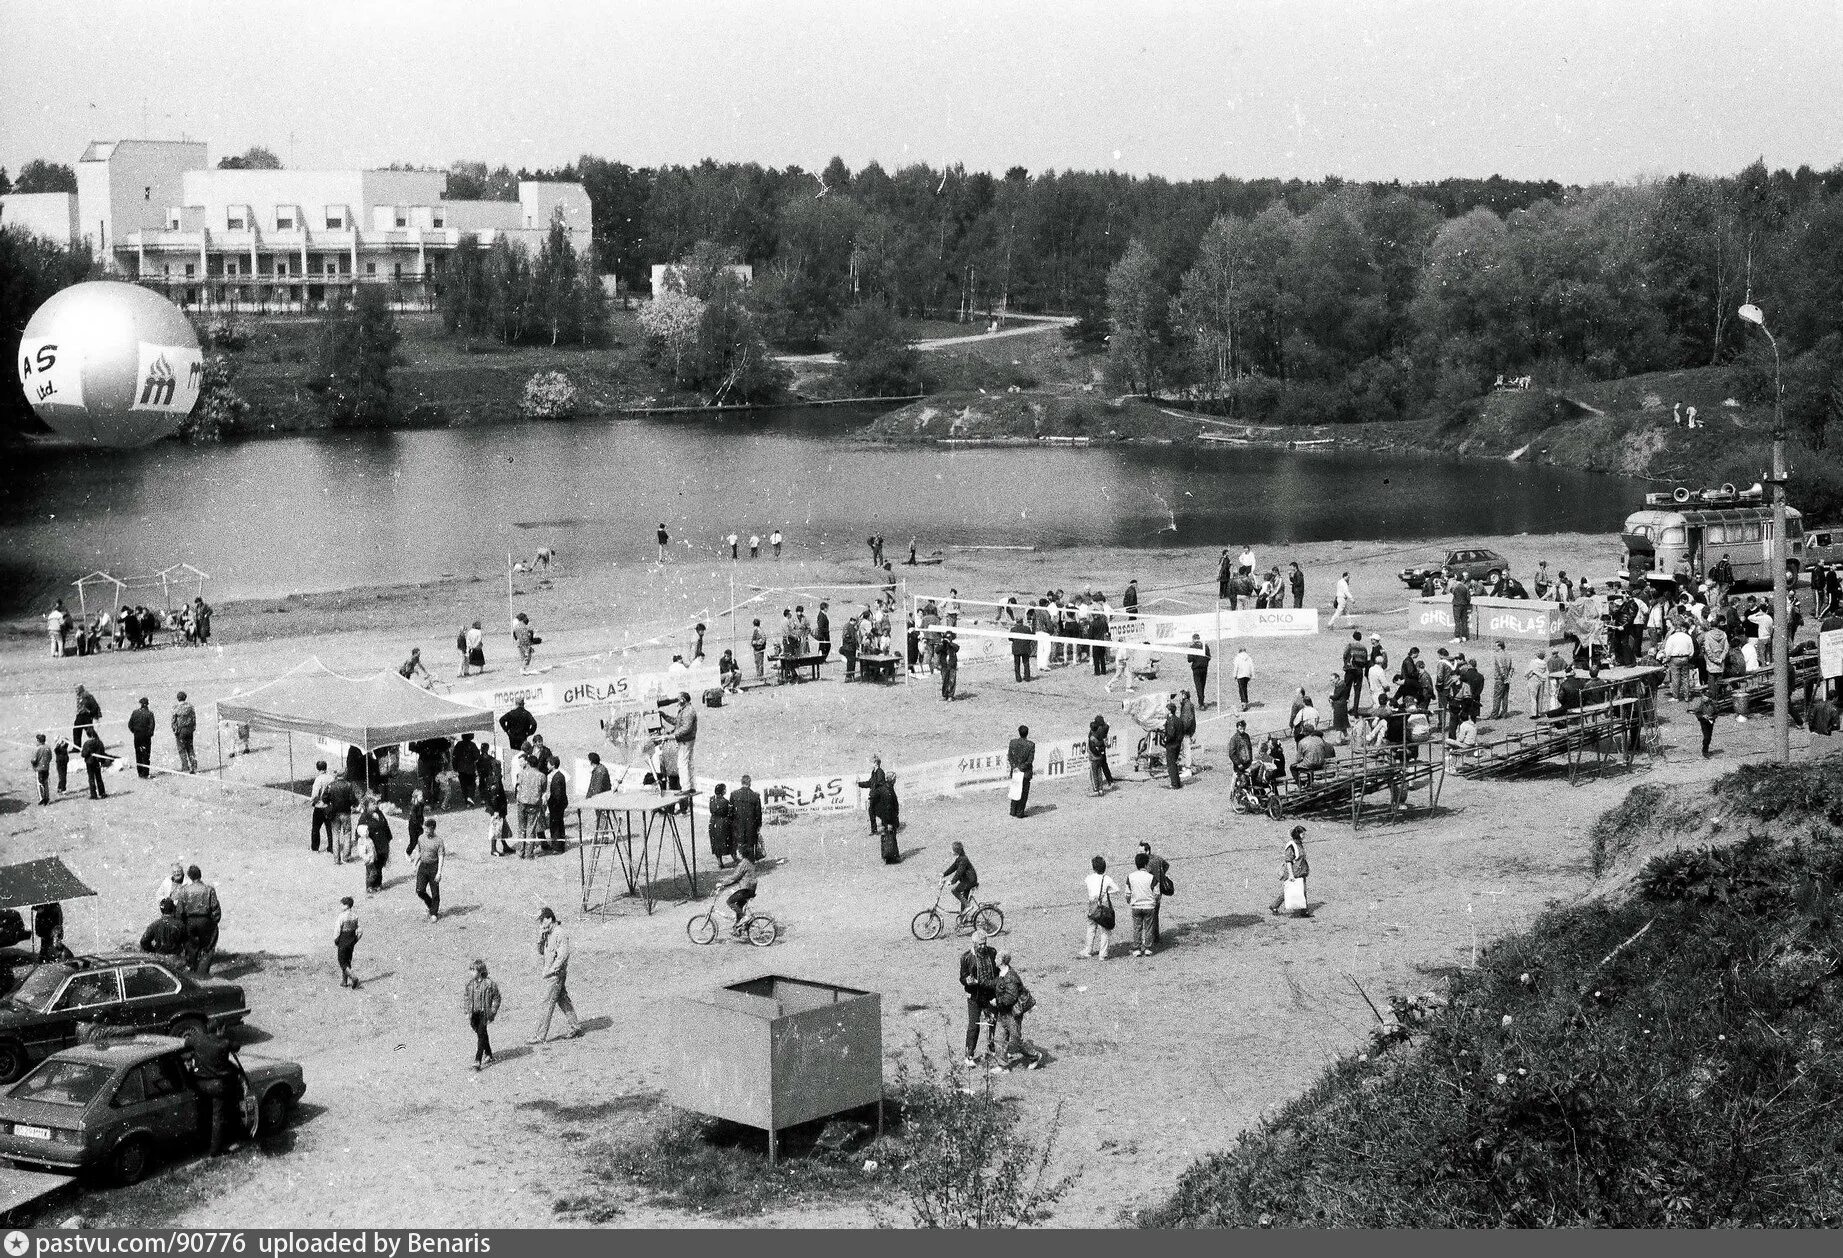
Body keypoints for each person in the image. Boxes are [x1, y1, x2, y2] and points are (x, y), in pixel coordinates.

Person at [530, 907, 584, 1043]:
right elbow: (541, 952)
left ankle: (540, 1036)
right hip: (552, 974)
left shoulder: (560, 933)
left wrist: (551, 971)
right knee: (563, 999)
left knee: (546, 1003)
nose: (541, 924)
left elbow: (563, 956)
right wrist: (540, 938)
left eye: (542, 920)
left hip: (555, 975)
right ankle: (575, 1027)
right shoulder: (548, 933)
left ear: (549, 919)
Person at [190, 1027, 243, 1157]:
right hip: (217, 1086)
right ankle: (215, 1150)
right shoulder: (224, 1043)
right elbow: (237, 1046)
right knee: (218, 1117)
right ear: (220, 1029)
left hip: (199, 1085)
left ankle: (199, 1144)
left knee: (203, 1114)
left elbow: (185, 1043)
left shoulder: (197, 1039)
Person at [989, 951, 1043, 1071]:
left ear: (1002, 961)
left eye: (997, 958)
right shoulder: (1001, 973)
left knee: (1015, 1041)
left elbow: (1010, 998)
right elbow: (995, 985)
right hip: (1003, 1013)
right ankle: (1002, 1066)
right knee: (999, 1039)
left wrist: (997, 1002)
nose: (995, 959)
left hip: (1012, 1015)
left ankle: (1035, 1056)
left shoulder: (1011, 977)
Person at [959, 929, 1000, 1065]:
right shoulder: (966, 957)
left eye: (984, 943)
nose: (983, 946)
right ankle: (969, 1055)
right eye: (980, 944)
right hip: (974, 996)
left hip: (990, 995)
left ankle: (991, 1049)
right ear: (974, 943)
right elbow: (962, 977)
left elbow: (998, 973)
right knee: (974, 1026)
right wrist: (967, 981)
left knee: (991, 1023)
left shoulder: (993, 952)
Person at [173, 864, 222, 975]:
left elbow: (180, 909)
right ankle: (202, 971)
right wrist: (214, 921)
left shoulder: (184, 890)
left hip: (189, 921)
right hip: (205, 921)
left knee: (191, 946)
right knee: (207, 947)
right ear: (200, 875)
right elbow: (215, 907)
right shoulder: (209, 889)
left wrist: (181, 922)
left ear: (189, 877)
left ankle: (192, 968)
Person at [712, 851, 760, 935]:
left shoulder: (743, 863)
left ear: (741, 854)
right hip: (750, 889)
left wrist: (722, 884)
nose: (736, 853)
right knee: (739, 906)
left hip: (746, 889)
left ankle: (745, 917)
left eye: (738, 852)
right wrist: (725, 886)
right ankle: (738, 928)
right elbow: (738, 879)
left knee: (730, 901)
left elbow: (735, 877)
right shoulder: (749, 862)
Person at [465, 960, 501, 1070]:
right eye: (470, 970)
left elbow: (496, 997)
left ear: (480, 971)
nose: (471, 973)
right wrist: (467, 1011)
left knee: (481, 1034)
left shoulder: (489, 984)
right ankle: (489, 1053)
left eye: (473, 970)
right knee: (481, 1033)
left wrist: (493, 1010)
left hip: (484, 1013)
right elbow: (466, 998)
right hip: (474, 1014)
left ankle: (477, 1060)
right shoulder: (470, 985)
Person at [1082, 856, 1120, 959]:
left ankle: (1088, 950)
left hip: (1092, 904)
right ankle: (1103, 954)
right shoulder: (1106, 878)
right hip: (1103, 904)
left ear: (1093, 868)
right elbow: (1116, 889)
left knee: (1091, 928)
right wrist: (1107, 891)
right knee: (1105, 929)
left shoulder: (1089, 878)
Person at [1269, 826, 1311, 916]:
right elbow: (1288, 861)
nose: (1304, 835)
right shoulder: (1292, 845)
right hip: (1295, 872)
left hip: (1300, 871)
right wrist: (1291, 875)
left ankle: (1303, 911)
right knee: (1294, 890)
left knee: (1299, 890)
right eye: (1302, 833)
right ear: (1298, 834)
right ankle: (1304, 911)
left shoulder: (1299, 844)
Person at [1125, 851, 1159, 956]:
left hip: (1136, 906)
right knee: (1148, 927)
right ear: (1146, 864)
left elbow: (1127, 893)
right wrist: (1154, 901)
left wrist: (1130, 901)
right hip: (1149, 905)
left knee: (1137, 927)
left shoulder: (1130, 877)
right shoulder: (1151, 877)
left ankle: (1137, 949)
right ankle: (1148, 948)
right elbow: (1157, 893)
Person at [414, 818, 446, 921]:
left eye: (428, 829)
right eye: (425, 829)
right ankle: (431, 904)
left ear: (433, 828)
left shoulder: (439, 841)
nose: (426, 831)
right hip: (423, 866)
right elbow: (419, 851)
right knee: (420, 890)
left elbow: (441, 856)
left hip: (433, 866)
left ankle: (434, 913)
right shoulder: (421, 838)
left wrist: (439, 872)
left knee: (435, 892)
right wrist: (415, 863)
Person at [729, 774, 764, 861]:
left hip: (738, 824)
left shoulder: (734, 794)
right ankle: (750, 863)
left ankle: (742, 862)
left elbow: (730, 812)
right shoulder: (755, 796)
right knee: (750, 844)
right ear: (750, 783)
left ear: (741, 782)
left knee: (740, 843)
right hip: (751, 825)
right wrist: (759, 825)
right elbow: (758, 813)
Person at [669, 691, 698, 793]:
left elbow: (686, 728)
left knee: (682, 764)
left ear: (683, 700)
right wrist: (664, 716)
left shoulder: (688, 711)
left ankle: (686, 787)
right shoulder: (686, 710)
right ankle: (691, 786)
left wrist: (672, 735)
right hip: (687, 740)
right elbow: (676, 721)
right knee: (688, 763)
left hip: (686, 741)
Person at [123, 696, 157, 779]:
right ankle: (145, 773)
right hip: (146, 737)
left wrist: (134, 732)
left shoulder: (135, 712)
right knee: (146, 755)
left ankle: (140, 773)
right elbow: (152, 726)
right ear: (147, 705)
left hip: (137, 736)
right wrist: (149, 735)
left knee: (138, 754)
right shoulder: (149, 713)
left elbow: (130, 725)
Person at [941, 840, 977, 914]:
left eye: (952, 850)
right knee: (964, 899)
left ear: (957, 850)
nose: (951, 851)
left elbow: (959, 872)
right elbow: (953, 867)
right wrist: (944, 874)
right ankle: (963, 919)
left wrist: (952, 882)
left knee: (955, 891)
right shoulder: (960, 858)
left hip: (969, 881)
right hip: (967, 881)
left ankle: (968, 905)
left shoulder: (963, 859)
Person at [333, 896, 361, 988]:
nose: (341, 906)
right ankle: (344, 981)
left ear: (347, 906)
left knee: (342, 961)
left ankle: (353, 977)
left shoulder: (342, 916)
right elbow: (360, 930)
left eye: (342, 904)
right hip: (351, 941)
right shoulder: (355, 916)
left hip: (343, 940)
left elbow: (337, 930)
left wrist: (336, 940)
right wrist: (355, 940)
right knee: (348, 960)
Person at [1007, 725, 1035, 818]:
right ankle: (1020, 812)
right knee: (1023, 793)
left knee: (1015, 790)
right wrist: (1020, 768)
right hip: (1025, 773)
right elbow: (1029, 761)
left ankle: (1013, 810)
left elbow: (1010, 757)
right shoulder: (1031, 745)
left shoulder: (1012, 743)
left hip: (1015, 771)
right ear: (1027, 733)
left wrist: (1015, 767)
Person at [545, 753, 570, 853]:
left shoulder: (557, 777)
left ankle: (557, 847)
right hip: (559, 804)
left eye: (548, 763)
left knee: (555, 825)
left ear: (553, 765)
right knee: (559, 824)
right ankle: (559, 845)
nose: (547, 765)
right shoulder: (559, 775)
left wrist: (551, 803)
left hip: (556, 805)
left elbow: (557, 794)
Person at [708, 782, 735, 868]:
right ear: (722, 791)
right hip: (723, 823)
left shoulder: (711, 799)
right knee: (729, 841)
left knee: (716, 843)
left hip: (713, 823)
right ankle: (734, 858)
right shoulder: (726, 802)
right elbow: (730, 814)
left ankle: (720, 862)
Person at [1161, 700, 1185, 790]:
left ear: (1170, 711)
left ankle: (1174, 784)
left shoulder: (1171, 721)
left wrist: (1165, 739)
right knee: (1174, 763)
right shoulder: (1178, 720)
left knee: (1171, 765)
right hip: (1177, 745)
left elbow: (1171, 734)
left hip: (1171, 745)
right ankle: (1177, 782)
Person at [1087, 714, 1113, 795]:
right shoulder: (1104, 729)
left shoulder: (1093, 735)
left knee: (1094, 773)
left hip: (1094, 756)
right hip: (1101, 752)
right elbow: (1107, 726)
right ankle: (1107, 783)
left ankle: (1096, 790)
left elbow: (1091, 746)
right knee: (1101, 769)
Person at [81, 728, 109, 799]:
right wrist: (102, 762)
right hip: (97, 762)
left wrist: (86, 753)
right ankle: (102, 793)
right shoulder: (99, 742)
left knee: (91, 778)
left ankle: (93, 794)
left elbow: (84, 754)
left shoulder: (87, 743)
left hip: (89, 762)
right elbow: (102, 753)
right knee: (99, 777)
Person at [1188, 633, 1212, 707]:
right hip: (1204, 668)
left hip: (1196, 669)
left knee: (1198, 686)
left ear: (1193, 639)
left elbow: (1189, 659)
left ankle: (1201, 703)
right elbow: (1209, 657)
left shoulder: (1192, 647)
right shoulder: (1205, 646)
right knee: (1202, 685)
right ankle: (1202, 701)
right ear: (1199, 638)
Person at [1694, 689, 1718, 757]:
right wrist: (1702, 716)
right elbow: (1697, 713)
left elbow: (1716, 713)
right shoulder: (1701, 705)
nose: (1703, 698)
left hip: (1710, 722)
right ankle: (1704, 751)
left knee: (1709, 737)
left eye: (1705, 697)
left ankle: (1706, 749)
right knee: (1706, 737)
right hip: (1703, 722)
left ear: (1709, 698)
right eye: (1703, 696)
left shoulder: (1713, 705)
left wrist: (1712, 717)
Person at [937, 630, 960, 700]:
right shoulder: (942, 646)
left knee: (952, 680)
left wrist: (949, 643)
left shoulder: (953, 646)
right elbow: (937, 650)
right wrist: (943, 643)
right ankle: (945, 695)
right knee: (944, 680)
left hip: (952, 665)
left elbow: (957, 648)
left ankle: (950, 695)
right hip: (944, 666)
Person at [30, 733, 52, 805]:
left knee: (39, 783)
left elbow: (34, 759)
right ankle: (47, 798)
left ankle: (41, 798)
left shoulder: (37, 749)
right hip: (46, 768)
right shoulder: (48, 748)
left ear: (38, 740)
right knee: (46, 782)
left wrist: (33, 763)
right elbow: (50, 757)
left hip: (39, 768)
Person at [1233, 647, 1255, 711]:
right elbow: (1252, 666)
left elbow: (1236, 666)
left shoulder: (1237, 657)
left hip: (1240, 675)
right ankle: (1246, 702)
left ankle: (1243, 703)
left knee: (1241, 689)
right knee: (1245, 688)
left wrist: (1234, 675)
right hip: (1247, 675)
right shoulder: (1249, 657)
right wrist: (1252, 675)